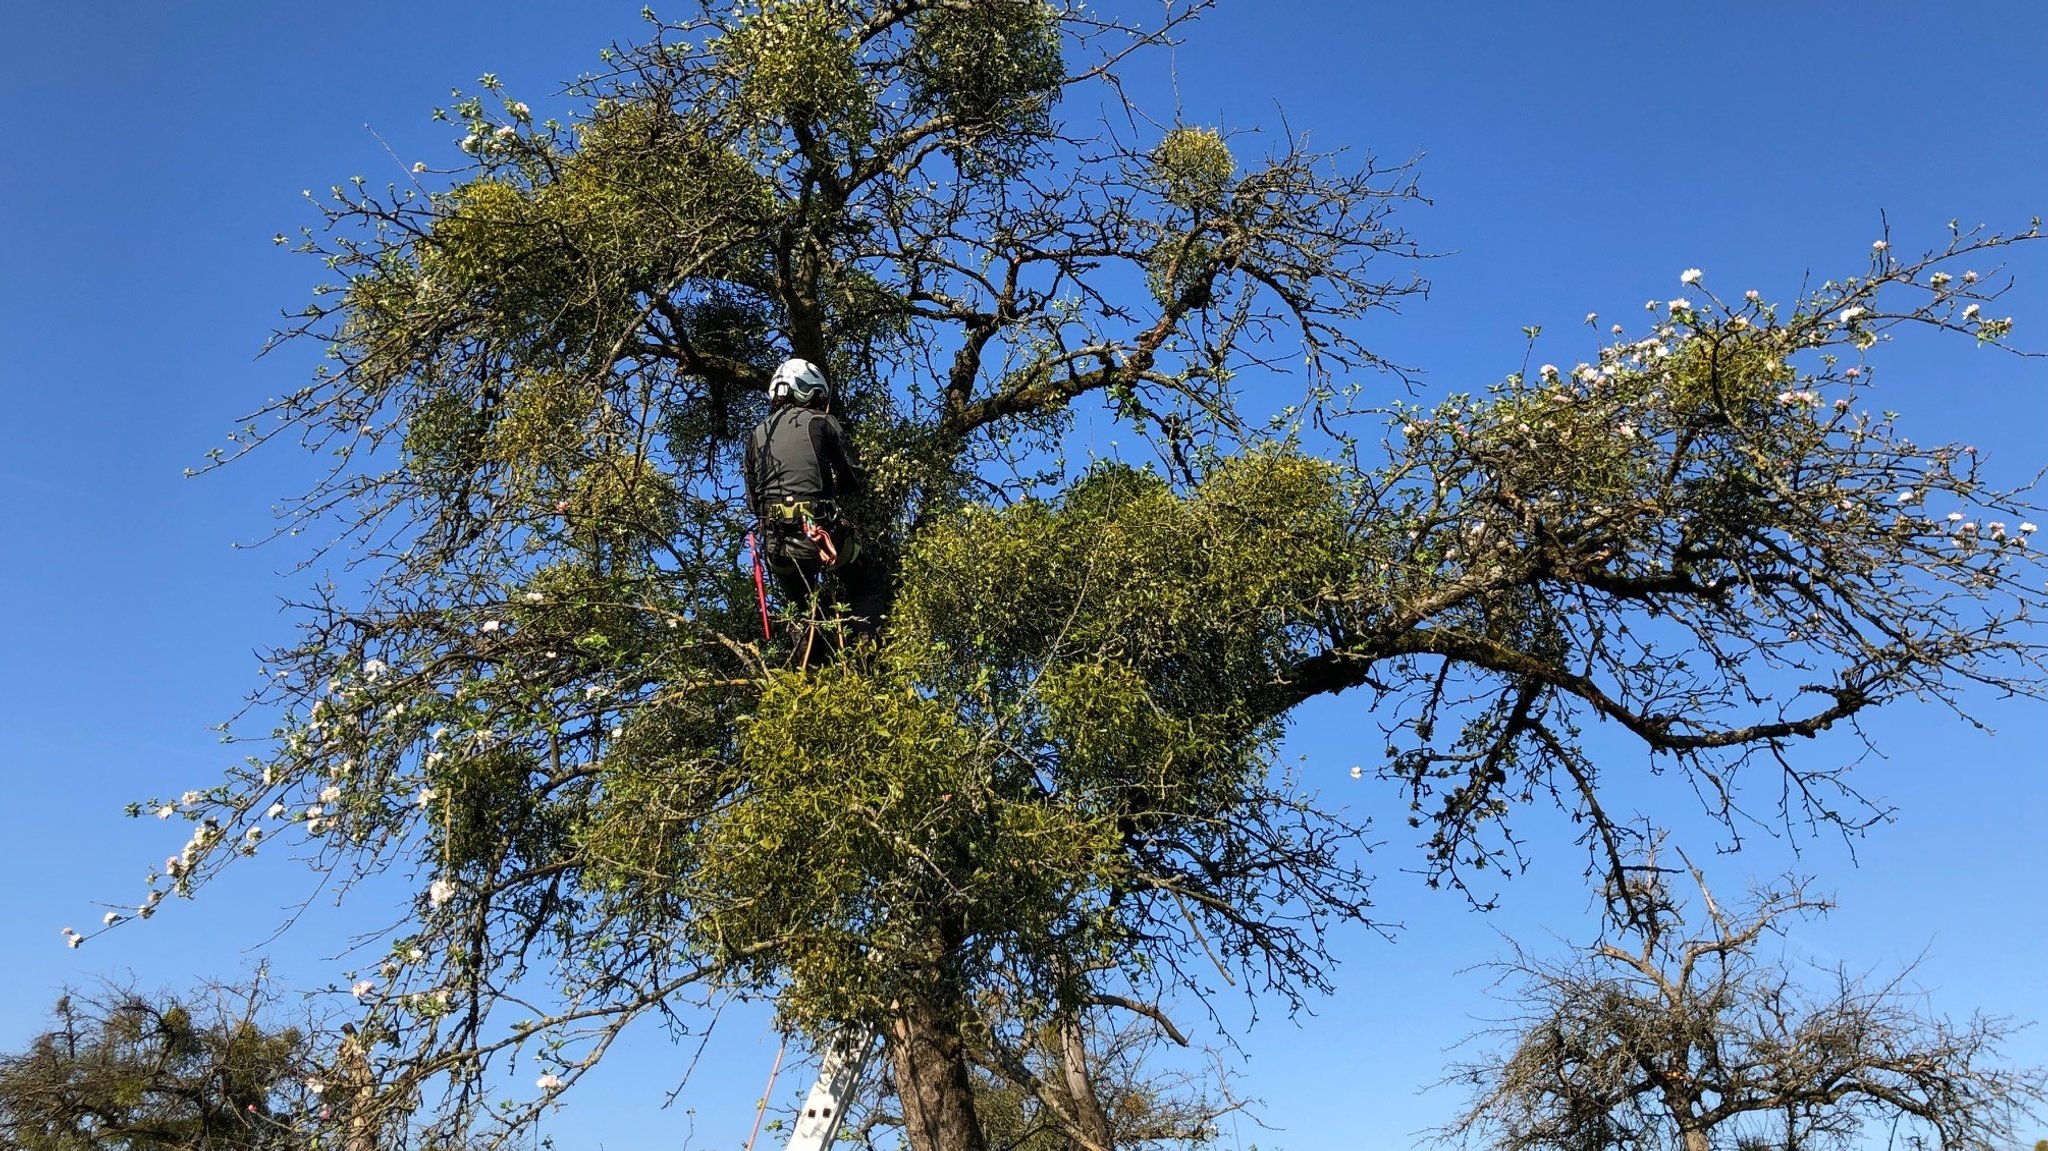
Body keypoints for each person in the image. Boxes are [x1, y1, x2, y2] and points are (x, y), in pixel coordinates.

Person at [744, 357, 889, 655]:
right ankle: (865, 655)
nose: (820, 404)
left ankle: (809, 669)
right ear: (806, 391)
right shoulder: (822, 422)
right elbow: (853, 477)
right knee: (868, 585)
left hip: (777, 545)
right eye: (818, 397)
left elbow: (753, 501)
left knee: (802, 610)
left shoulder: (755, 435)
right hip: (820, 533)